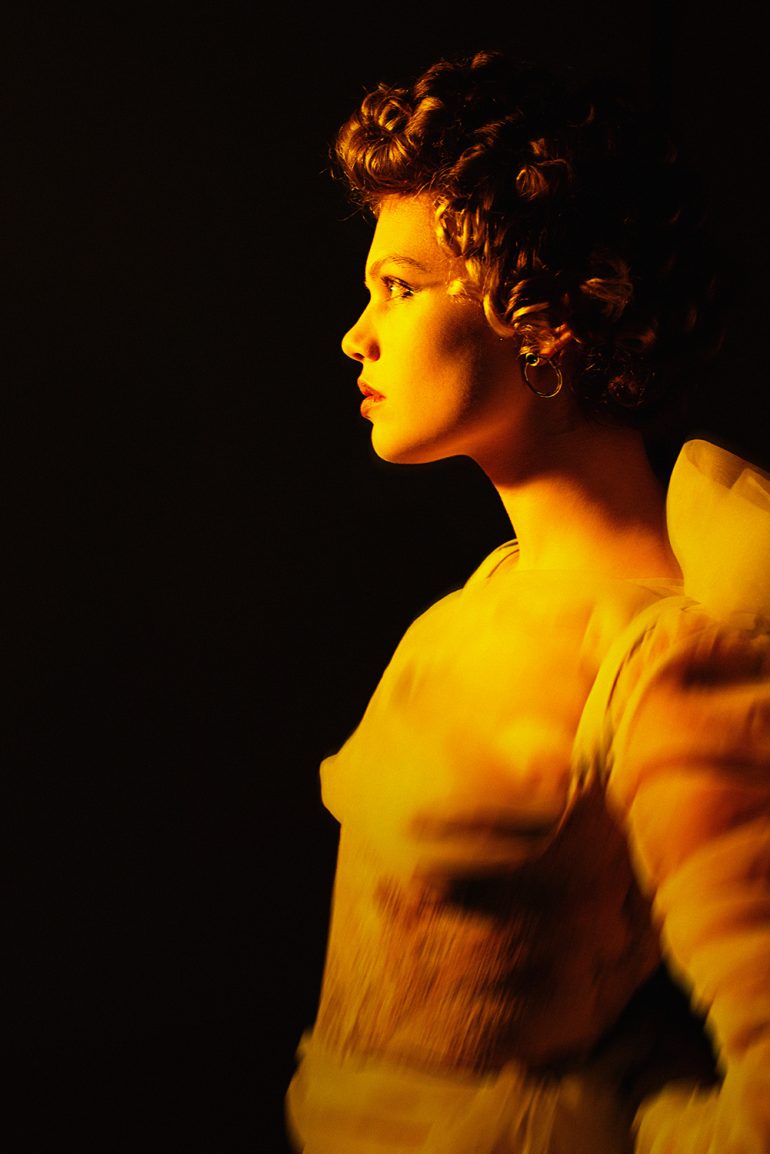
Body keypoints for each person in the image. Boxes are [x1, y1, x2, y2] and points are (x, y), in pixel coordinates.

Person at [286, 50, 770, 1153]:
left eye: (401, 287)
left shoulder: (670, 652)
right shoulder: (478, 600)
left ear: (541, 311)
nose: (357, 333)